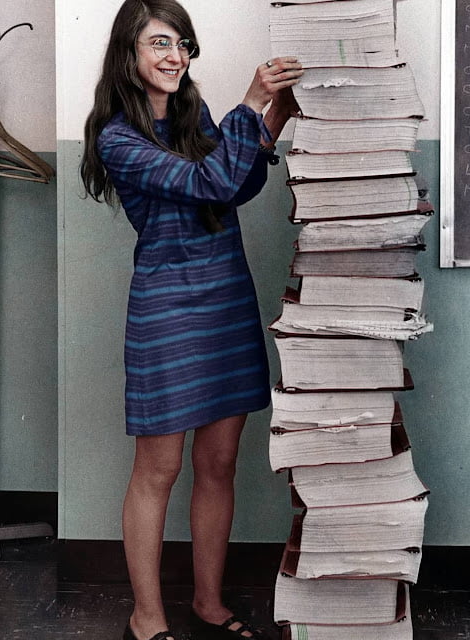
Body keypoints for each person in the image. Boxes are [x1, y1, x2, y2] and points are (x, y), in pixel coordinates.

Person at [80, 1, 303, 639]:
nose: (176, 55)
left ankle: (208, 603)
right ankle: (146, 618)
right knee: (159, 468)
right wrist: (249, 102)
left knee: (219, 463)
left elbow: (232, 185)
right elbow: (208, 182)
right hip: (167, 306)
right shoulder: (116, 138)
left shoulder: (191, 114)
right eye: (159, 43)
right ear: (129, 52)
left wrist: (272, 121)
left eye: (181, 43)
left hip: (224, 297)